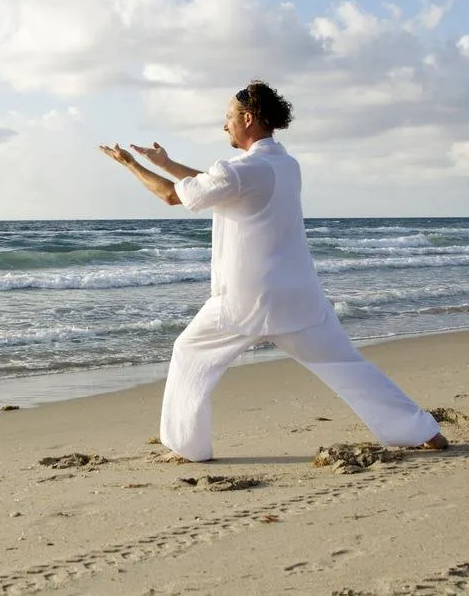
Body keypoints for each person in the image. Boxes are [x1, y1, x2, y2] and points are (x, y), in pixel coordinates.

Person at [99, 79, 448, 462]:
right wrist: (166, 163)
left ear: (247, 118)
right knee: (346, 365)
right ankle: (421, 431)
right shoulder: (283, 164)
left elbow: (173, 195)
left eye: (228, 116)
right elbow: (222, 183)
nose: (224, 125)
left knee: (188, 353)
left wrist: (131, 164)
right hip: (300, 297)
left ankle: (188, 446)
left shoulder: (239, 171)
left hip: (247, 301)